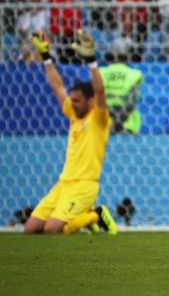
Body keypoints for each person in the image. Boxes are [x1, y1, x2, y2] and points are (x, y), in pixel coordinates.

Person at [23, 31, 118, 235]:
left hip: (84, 186)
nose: (72, 105)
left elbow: (100, 91)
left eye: (77, 101)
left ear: (90, 101)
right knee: (31, 229)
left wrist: (92, 61)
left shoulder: (99, 118)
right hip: (63, 183)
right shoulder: (75, 116)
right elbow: (57, 87)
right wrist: (46, 57)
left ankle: (95, 215)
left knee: (53, 229)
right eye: (72, 101)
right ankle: (86, 217)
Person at [99, 43, 144, 134]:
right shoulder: (134, 74)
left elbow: (96, 100)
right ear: (129, 57)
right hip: (127, 124)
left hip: (103, 123)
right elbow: (130, 102)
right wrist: (118, 123)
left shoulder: (101, 72)